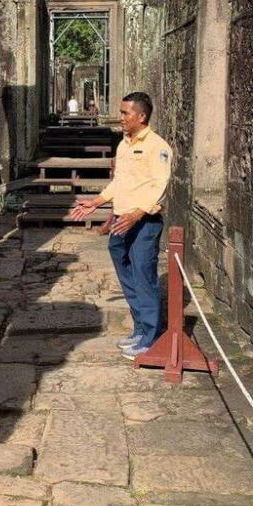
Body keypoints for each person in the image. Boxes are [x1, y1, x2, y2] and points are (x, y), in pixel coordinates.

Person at [70, 91, 172, 360]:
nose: (121, 118)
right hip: (121, 220)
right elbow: (120, 182)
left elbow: (159, 187)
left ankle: (152, 338)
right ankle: (140, 328)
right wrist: (97, 201)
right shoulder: (124, 144)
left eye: (126, 113)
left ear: (141, 116)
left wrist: (138, 214)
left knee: (144, 276)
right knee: (127, 275)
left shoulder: (157, 147)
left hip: (143, 222)